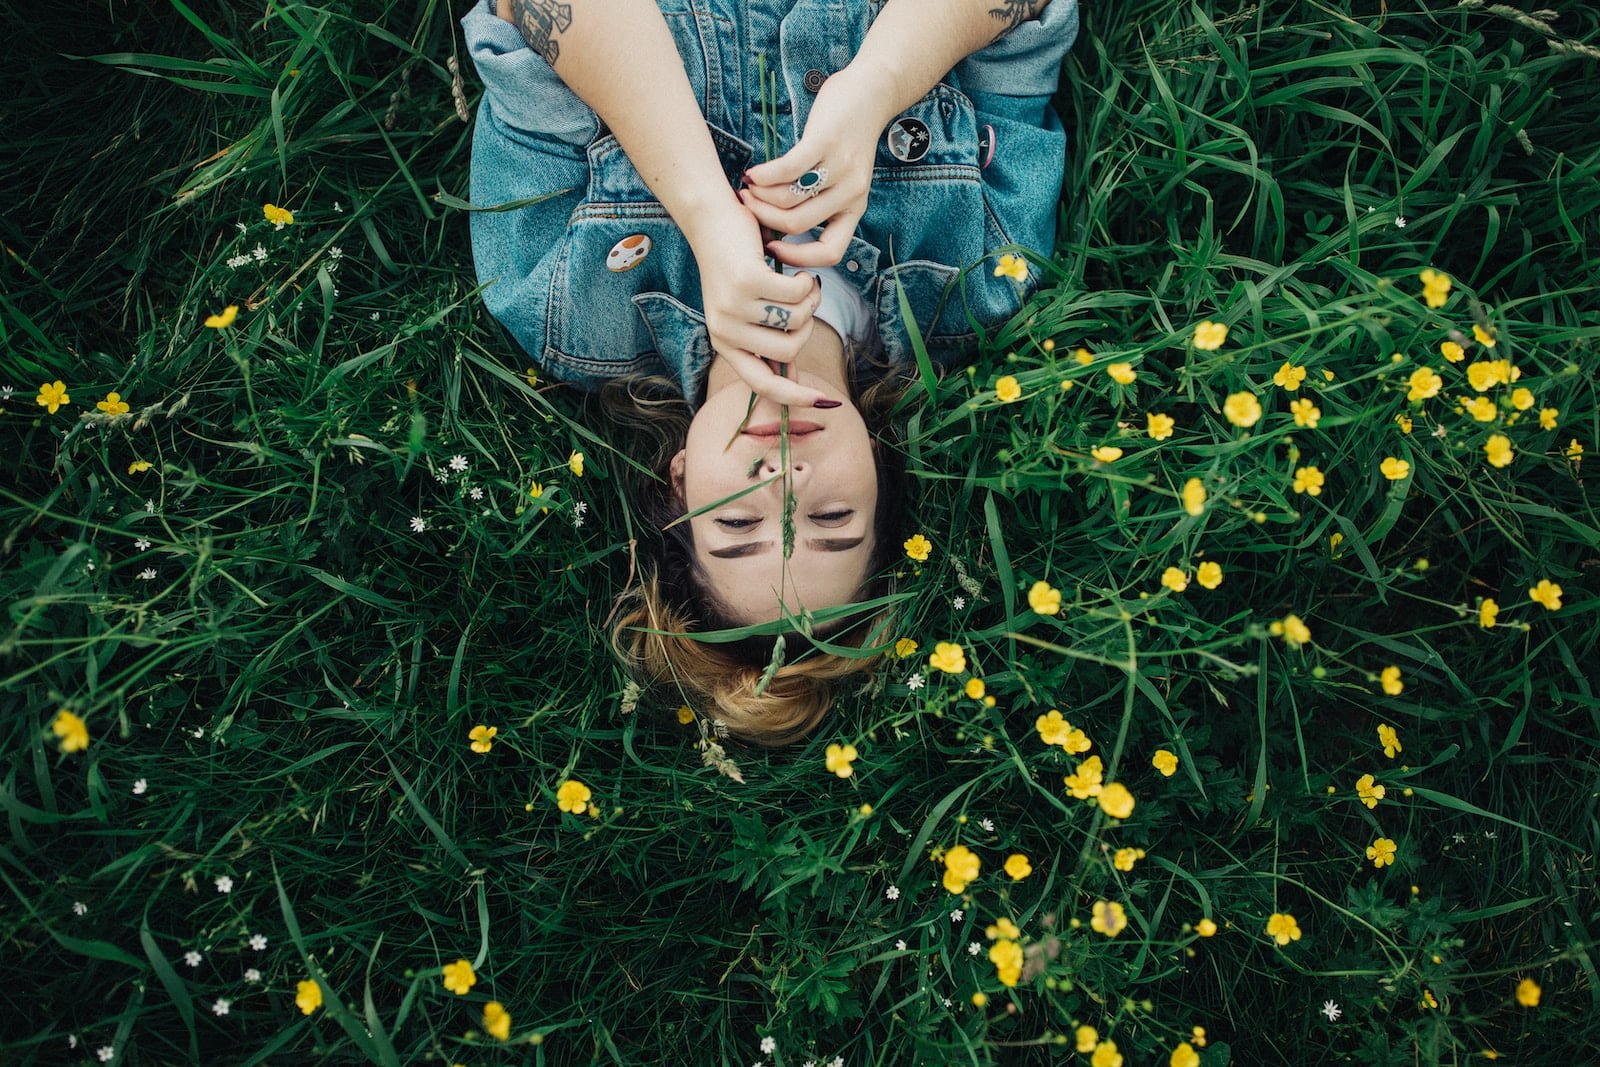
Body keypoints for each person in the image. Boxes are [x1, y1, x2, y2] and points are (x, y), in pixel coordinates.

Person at [462, 0, 1078, 744]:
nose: (784, 478)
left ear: (680, 480)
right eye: (831, 520)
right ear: (880, 471)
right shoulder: (980, 275)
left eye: (738, 522)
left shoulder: (566, 307)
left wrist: (703, 211)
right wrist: (878, 86)